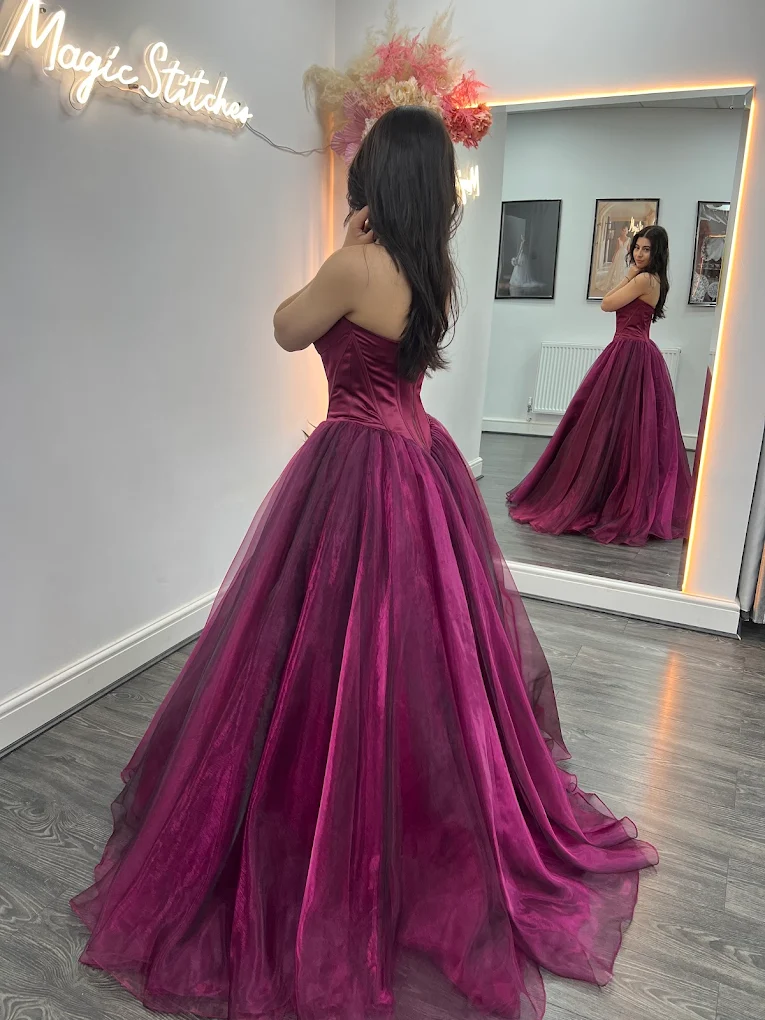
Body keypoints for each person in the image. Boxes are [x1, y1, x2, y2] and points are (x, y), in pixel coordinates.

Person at [71, 107, 657, 1020]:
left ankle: (315, 827)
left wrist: (342, 246)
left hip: (352, 468)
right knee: (414, 670)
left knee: (320, 656)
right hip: (418, 467)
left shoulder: (356, 264)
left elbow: (285, 327)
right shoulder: (431, 271)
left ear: (376, 181)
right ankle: (412, 822)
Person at [508, 225, 692, 545]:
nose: (639, 254)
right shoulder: (649, 279)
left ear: (657, 253)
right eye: (637, 247)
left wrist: (629, 273)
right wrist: (630, 273)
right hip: (630, 351)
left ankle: (610, 496)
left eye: (646, 249)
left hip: (630, 353)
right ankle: (607, 491)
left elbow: (607, 303)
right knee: (618, 428)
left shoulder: (645, 280)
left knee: (613, 426)